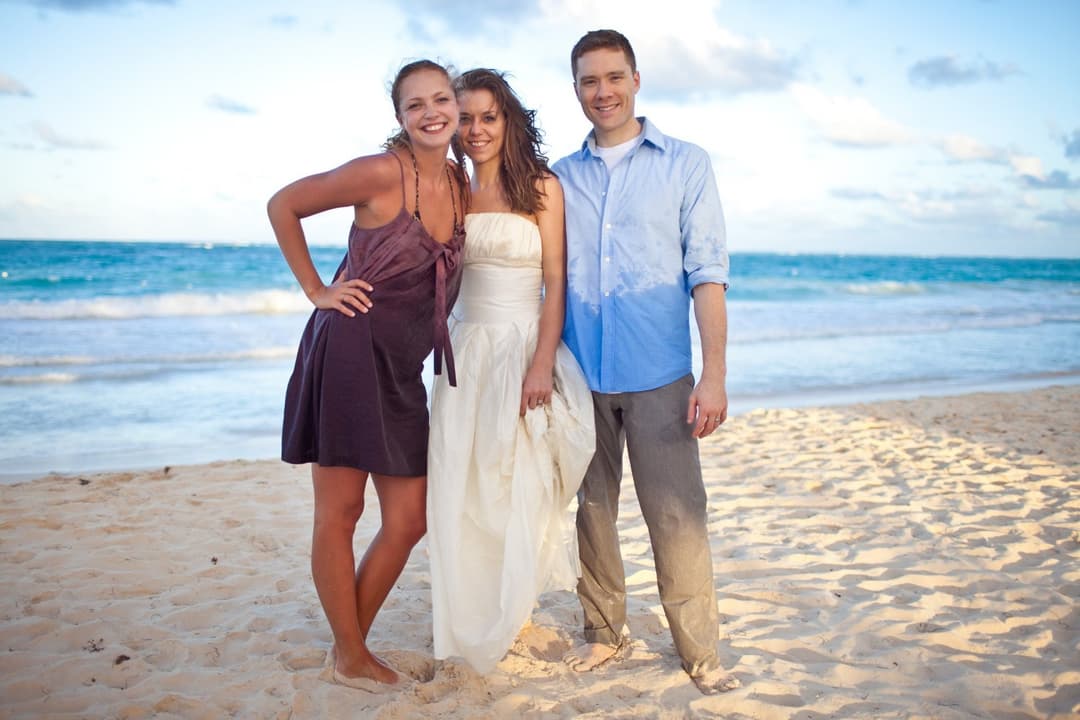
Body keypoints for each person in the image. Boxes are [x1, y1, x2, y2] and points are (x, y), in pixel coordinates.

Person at [267, 59, 467, 692]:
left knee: (409, 519)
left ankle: (347, 645)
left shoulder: (462, 183)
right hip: (350, 352)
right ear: (400, 118)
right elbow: (284, 204)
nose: (431, 112)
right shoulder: (381, 172)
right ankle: (352, 654)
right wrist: (316, 289)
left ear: (455, 108)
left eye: (441, 99)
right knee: (342, 510)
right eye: (416, 105)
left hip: (403, 368)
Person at [551, 30, 740, 694]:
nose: (601, 92)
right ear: (575, 89)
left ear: (635, 80)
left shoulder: (686, 163)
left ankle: (699, 650)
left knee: (677, 514)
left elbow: (707, 276)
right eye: (587, 81)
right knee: (592, 509)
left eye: (612, 77)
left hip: (661, 372)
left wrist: (713, 374)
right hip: (580, 374)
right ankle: (604, 634)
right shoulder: (559, 178)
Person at [426, 68, 595, 674]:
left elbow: (556, 283)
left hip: (524, 347)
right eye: (464, 118)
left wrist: (541, 362)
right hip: (467, 350)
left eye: (487, 117)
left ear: (509, 121)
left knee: (515, 480)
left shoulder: (542, 188)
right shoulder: (450, 190)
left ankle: (511, 607)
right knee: (463, 479)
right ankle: (466, 610)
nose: (475, 129)